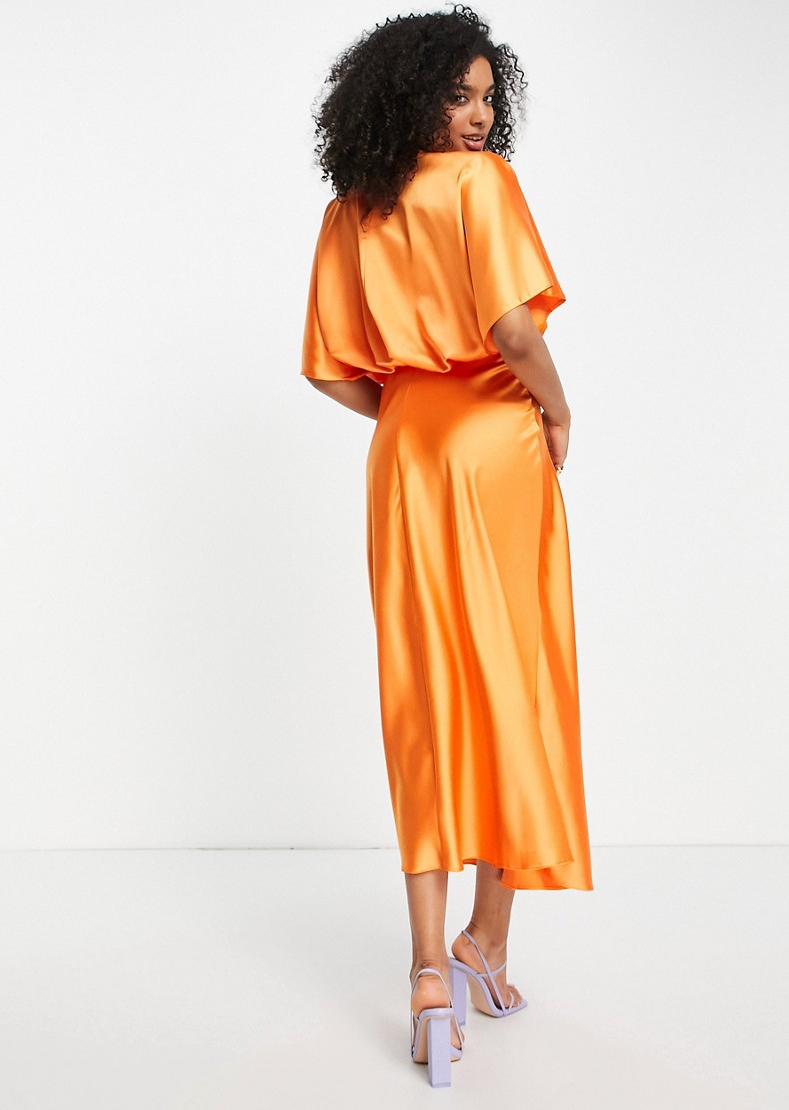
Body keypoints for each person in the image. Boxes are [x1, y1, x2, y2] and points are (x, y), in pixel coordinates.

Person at [300, 5, 593, 1087]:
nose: (476, 115)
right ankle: (486, 946)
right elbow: (514, 332)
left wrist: (411, 413)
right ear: (411, 94)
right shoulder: (481, 185)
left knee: (421, 692)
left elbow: (331, 370)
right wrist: (556, 409)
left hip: (406, 454)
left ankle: (429, 971)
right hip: (495, 447)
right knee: (508, 676)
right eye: (457, 94)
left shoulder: (354, 206)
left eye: (485, 97)